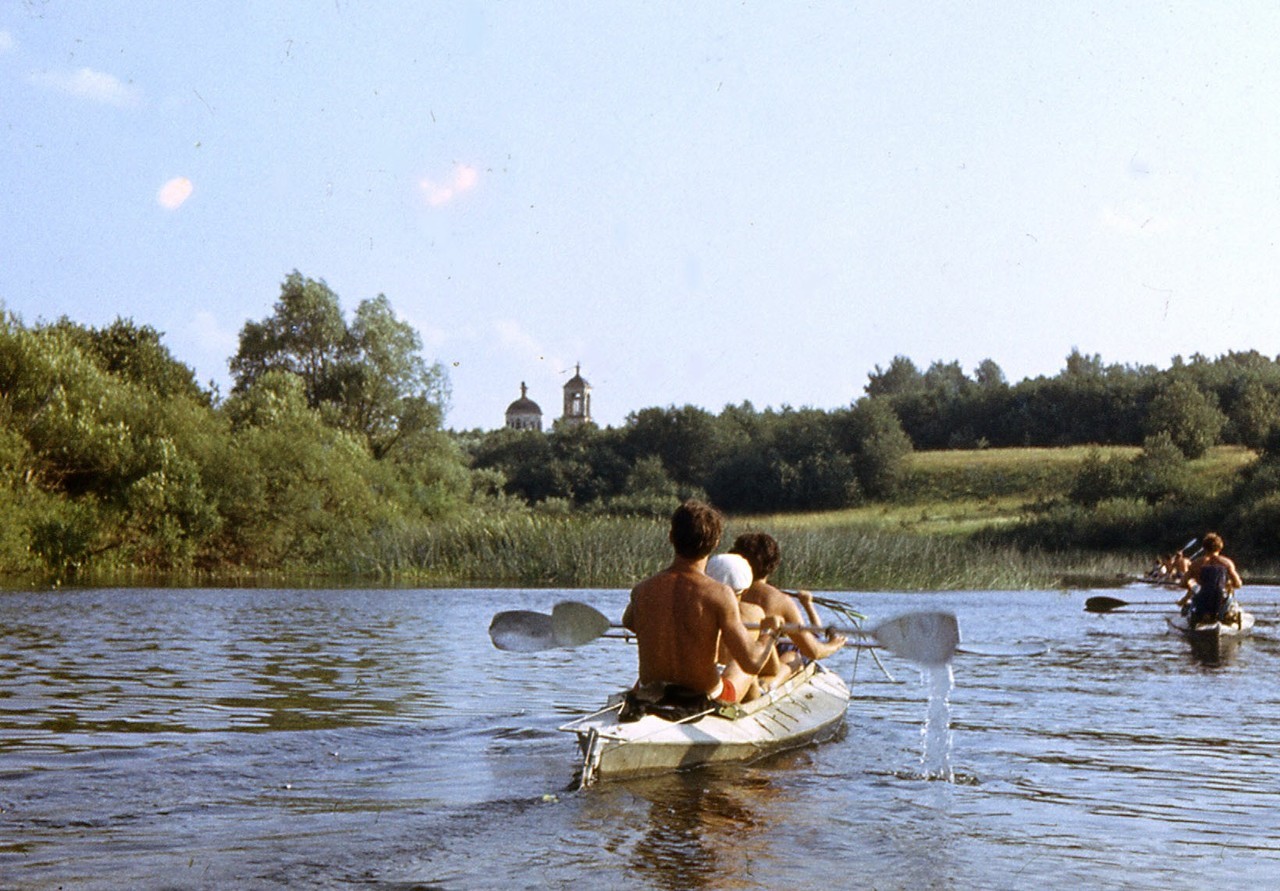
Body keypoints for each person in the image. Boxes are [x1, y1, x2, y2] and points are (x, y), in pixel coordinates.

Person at [621, 500, 782, 710]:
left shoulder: (642, 590)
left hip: (649, 693)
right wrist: (768, 633)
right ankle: (755, 711)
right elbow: (752, 662)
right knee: (741, 668)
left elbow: (630, 623)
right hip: (704, 698)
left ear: (671, 537)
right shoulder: (720, 594)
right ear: (716, 543)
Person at [729, 532, 846, 686]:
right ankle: (768, 684)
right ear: (773, 565)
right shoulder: (780, 600)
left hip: (730, 658)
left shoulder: (722, 591)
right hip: (759, 663)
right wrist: (834, 645)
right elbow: (813, 651)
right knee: (794, 657)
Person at [1177, 532, 1244, 626]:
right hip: (1220, 599)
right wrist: (1228, 584)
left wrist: (1193, 584)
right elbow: (1238, 584)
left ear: (1204, 548)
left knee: (1194, 593)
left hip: (1202, 599)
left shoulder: (1196, 563)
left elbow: (1182, 583)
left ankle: (1198, 617)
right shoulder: (1227, 563)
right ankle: (1228, 616)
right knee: (1229, 593)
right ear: (1220, 547)